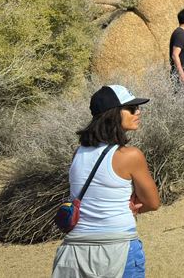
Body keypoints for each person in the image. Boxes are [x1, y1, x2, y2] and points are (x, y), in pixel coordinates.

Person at [51, 85, 159, 278]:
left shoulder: (78, 153)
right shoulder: (130, 155)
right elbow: (153, 202)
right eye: (132, 109)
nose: (138, 112)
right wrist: (134, 206)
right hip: (118, 247)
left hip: (75, 250)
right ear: (114, 114)